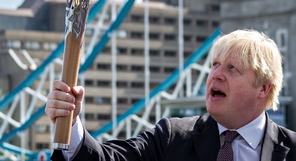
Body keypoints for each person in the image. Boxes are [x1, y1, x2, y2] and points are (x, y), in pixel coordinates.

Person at [45, 29, 296, 160]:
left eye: (232, 68)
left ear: (264, 88)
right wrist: (71, 122)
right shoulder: (171, 138)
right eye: (214, 65)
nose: (216, 75)